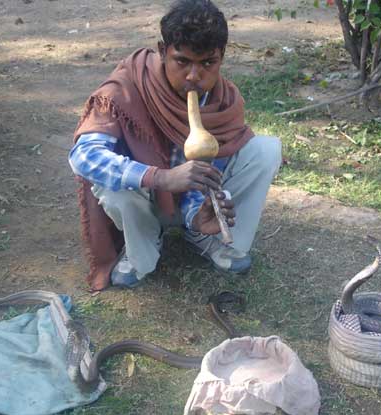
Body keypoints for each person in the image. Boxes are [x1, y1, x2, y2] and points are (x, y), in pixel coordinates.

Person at [69, 0, 281, 291]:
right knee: (113, 189)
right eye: (182, 61)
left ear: (221, 58)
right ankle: (141, 245)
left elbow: (206, 171)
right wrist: (160, 177)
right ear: (162, 51)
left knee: (265, 150)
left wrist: (197, 216)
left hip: (184, 201)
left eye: (208, 63)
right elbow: (83, 156)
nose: (194, 76)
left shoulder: (223, 102)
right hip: (142, 200)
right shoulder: (126, 87)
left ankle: (205, 236)